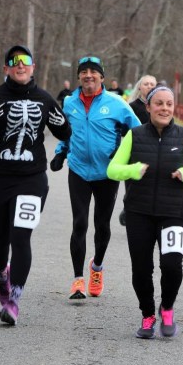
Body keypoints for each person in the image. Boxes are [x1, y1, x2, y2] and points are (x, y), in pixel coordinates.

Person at [0, 45, 71, 325]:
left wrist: (62, 123)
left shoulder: (45, 99)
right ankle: (2, 275)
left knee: (21, 237)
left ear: (33, 67)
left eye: (25, 61)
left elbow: (64, 132)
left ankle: (14, 300)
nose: (20, 66)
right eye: (14, 62)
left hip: (31, 179)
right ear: (6, 69)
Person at [107, 85, 183, 339]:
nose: (164, 108)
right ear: (149, 107)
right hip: (138, 211)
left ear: (173, 108)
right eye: (159, 103)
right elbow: (112, 169)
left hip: (174, 211)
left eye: (169, 104)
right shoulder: (134, 135)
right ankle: (147, 314)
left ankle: (167, 308)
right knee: (141, 269)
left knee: (172, 265)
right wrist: (132, 171)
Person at [50, 56, 140, 300]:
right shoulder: (69, 103)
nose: (88, 75)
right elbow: (66, 132)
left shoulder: (117, 103)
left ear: (101, 76)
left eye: (93, 71)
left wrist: (122, 153)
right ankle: (78, 279)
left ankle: (97, 267)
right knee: (79, 223)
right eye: (84, 71)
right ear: (79, 76)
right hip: (78, 170)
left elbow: (138, 132)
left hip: (107, 173)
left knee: (102, 225)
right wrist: (61, 153)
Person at [117, 74, 157, 227]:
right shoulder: (131, 107)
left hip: (154, 151)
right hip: (134, 151)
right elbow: (122, 130)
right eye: (146, 84)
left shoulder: (159, 106)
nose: (149, 86)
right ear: (140, 87)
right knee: (133, 185)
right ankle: (129, 209)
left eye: (152, 84)